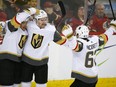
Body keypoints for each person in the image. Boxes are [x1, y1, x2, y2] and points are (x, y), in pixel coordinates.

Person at [20, 10, 73, 87]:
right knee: (25, 83)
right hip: (26, 61)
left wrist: (71, 39)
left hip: (42, 63)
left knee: (42, 85)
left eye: (46, 19)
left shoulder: (51, 30)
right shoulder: (29, 25)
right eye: (42, 20)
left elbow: (61, 41)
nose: (44, 22)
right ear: (36, 20)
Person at [62, 20, 116, 87]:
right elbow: (105, 37)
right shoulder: (95, 39)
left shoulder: (80, 43)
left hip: (83, 77)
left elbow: (75, 46)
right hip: (94, 77)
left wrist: (70, 36)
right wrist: (112, 28)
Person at [0, 7, 39, 87]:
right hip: (6, 60)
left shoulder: (26, 31)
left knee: (16, 84)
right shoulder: (11, 25)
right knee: (7, 84)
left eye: (27, 22)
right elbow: (19, 18)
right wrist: (32, 10)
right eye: (24, 22)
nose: (25, 25)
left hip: (18, 60)